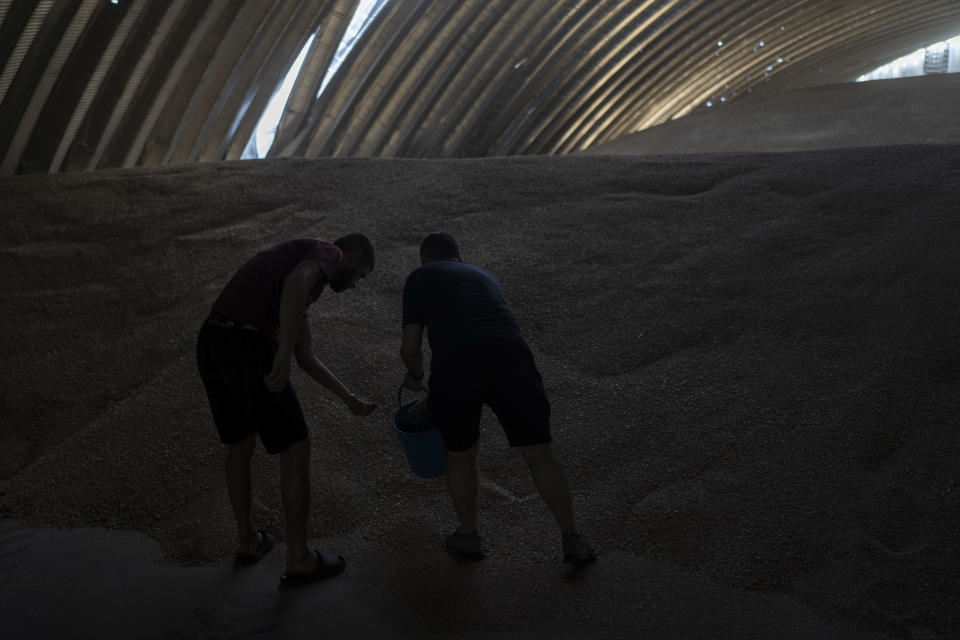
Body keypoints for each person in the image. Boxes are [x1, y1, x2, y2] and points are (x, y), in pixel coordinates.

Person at [399, 232, 596, 563]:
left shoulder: (419, 277)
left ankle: (468, 536)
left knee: (460, 455)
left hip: (456, 363)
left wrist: (416, 377)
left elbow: (410, 347)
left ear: (425, 260)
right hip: (511, 357)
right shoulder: (484, 275)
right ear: (459, 257)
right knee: (539, 452)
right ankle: (572, 538)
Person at [196, 234, 377, 588]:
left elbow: (306, 358)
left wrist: (349, 399)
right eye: (361, 275)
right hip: (248, 343)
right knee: (296, 446)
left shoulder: (298, 292)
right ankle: (299, 559)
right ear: (353, 256)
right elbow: (296, 284)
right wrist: (278, 352)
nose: (355, 285)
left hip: (213, 340)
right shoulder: (329, 252)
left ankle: (248, 541)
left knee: (240, 443)